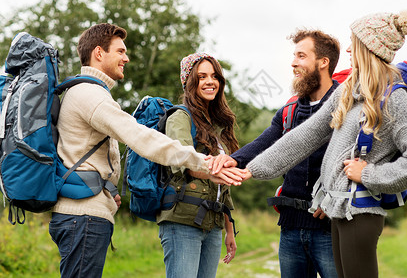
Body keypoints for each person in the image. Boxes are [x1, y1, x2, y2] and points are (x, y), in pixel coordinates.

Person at [243, 10, 407, 278]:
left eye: (353, 43)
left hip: (362, 212)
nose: (347, 48)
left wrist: (368, 174)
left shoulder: (394, 97)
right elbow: (307, 135)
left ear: (369, 48)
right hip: (340, 210)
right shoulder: (350, 91)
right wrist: (253, 169)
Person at [48, 24, 225, 278]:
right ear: (99, 53)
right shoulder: (90, 95)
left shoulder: (85, 92)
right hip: (82, 216)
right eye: (120, 51)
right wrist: (202, 161)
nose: (126, 58)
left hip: (85, 212)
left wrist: (107, 190)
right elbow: (141, 138)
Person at [211, 29, 340, 278]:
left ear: (323, 62)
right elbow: (265, 142)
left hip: (330, 227)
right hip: (290, 226)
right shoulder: (289, 109)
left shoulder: (346, 106)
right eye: (294, 56)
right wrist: (234, 159)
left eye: (301, 56)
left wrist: (335, 199)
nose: (294, 63)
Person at [157, 53, 241, 278]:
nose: (209, 81)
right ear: (189, 82)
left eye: (214, 76)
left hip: (212, 225)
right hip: (182, 222)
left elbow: (224, 186)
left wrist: (229, 230)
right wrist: (211, 171)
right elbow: (183, 161)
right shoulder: (179, 118)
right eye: (201, 76)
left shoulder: (215, 126)